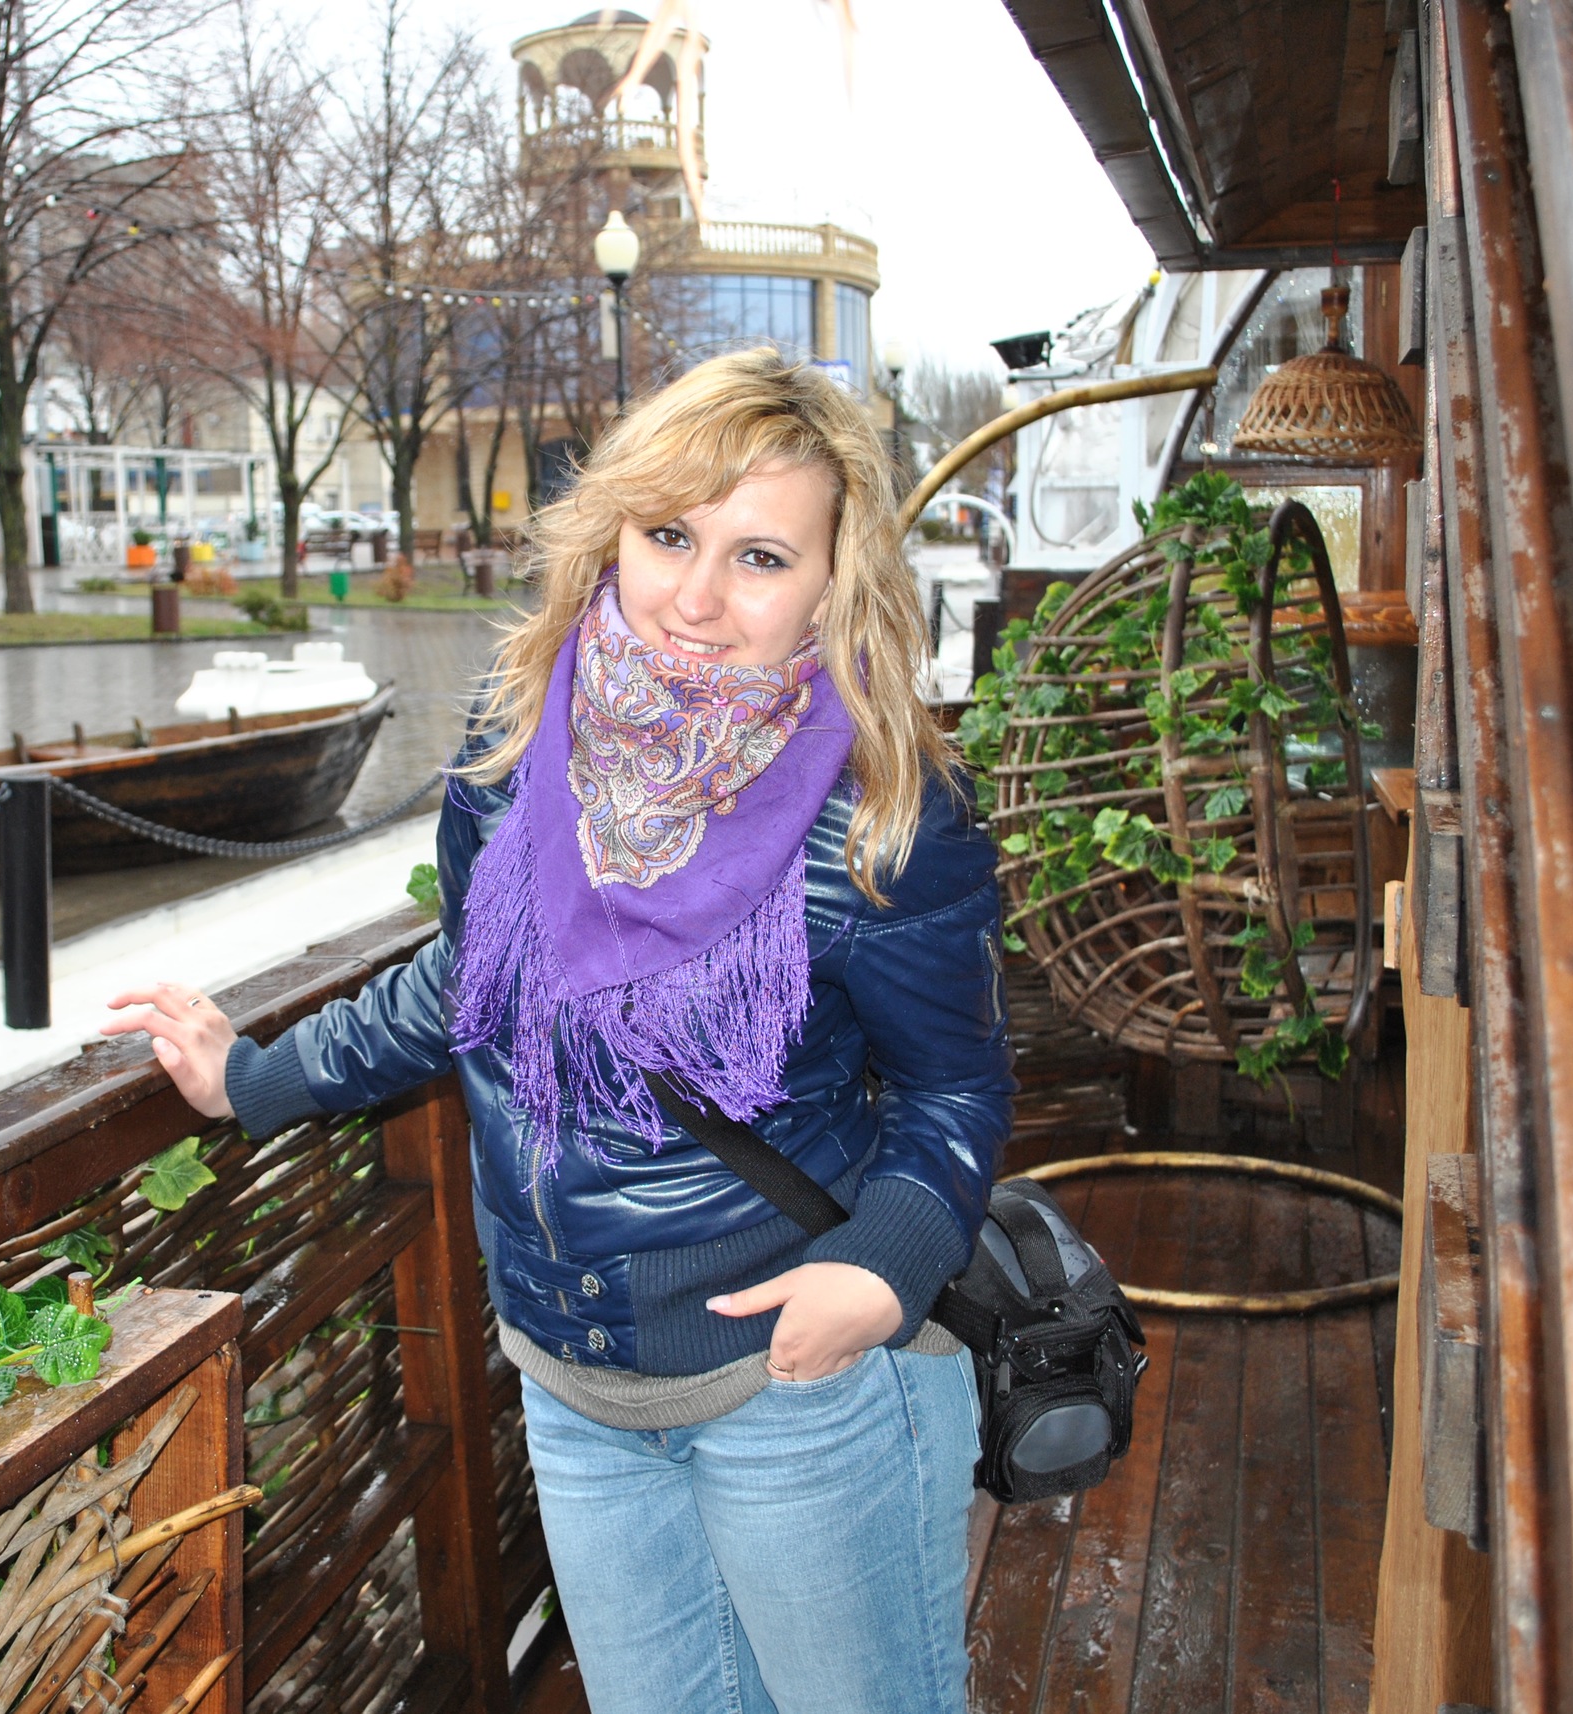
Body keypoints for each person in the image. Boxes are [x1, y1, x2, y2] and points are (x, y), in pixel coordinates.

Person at [103, 350, 1013, 1714]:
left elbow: (955, 1093)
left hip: (792, 1385)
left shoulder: (883, 814)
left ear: (834, 584)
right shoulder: (521, 739)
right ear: (612, 534)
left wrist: (876, 1276)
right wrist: (256, 1076)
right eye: (669, 536)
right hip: (571, 1388)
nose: (694, 598)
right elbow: (472, 983)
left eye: (761, 557)